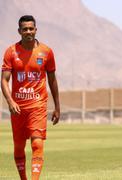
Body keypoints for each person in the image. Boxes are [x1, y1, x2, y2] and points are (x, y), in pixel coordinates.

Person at [1, 15, 60, 180]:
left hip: (38, 105)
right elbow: (4, 80)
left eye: (31, 28)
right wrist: (10, 101)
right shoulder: (11, 52)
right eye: (25, 29)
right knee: (19, 146)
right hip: (18, 107)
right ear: (19, 31)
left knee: (37, 143)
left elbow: (52, 80)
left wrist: (57, 106)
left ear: (36, 30)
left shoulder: (46, 52)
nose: (28, 31)